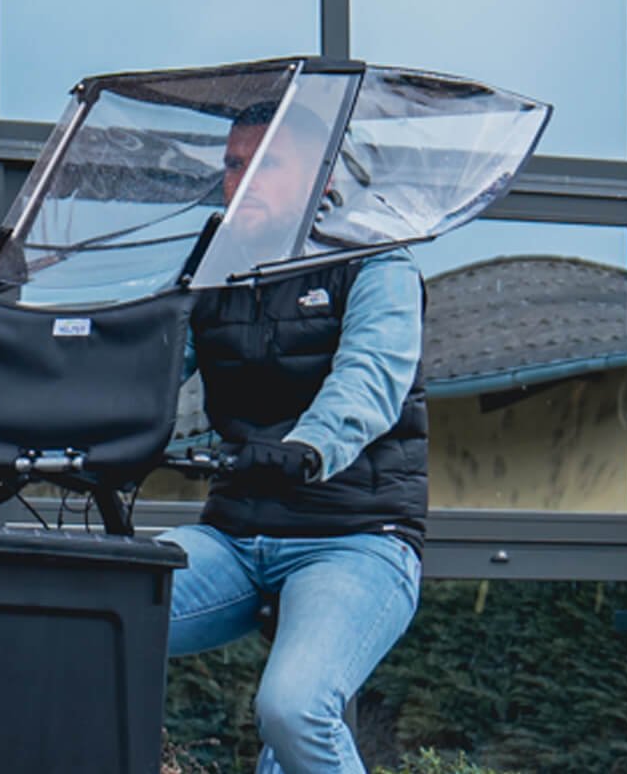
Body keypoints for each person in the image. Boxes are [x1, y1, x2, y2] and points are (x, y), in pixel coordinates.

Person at [159, 99, 428, 774]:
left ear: (316, 174)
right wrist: (60, 417)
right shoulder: (212, 267)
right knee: (90, 612)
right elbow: (143, 370)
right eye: (231, 165)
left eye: (264, 164)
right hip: (234, 534)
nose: (240, 180)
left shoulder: (375, 262)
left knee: (294, 708)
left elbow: (369, 380)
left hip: (353, 538)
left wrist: (308, 449)